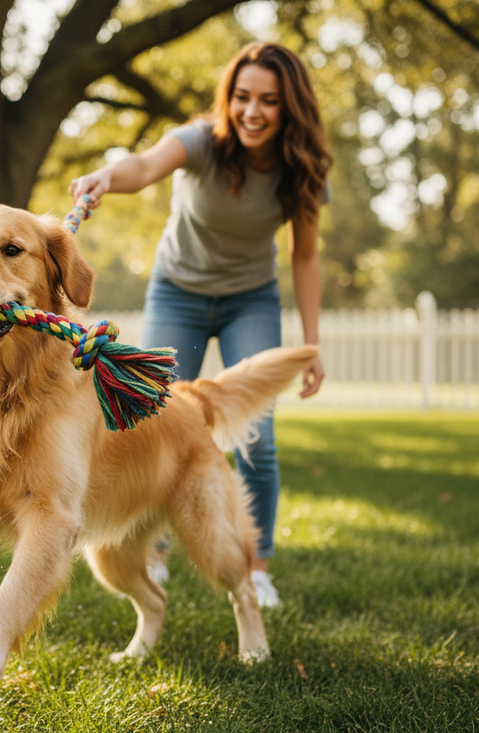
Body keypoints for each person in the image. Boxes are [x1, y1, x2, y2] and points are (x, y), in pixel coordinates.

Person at [69, 41, 331, 608]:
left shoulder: (302, 168)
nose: (252, 111)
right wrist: (107, 176)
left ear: (290, 107)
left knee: (259, 438)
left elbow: (305, 256)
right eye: (242, 97)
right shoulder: (200, 141)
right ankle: (154, 553)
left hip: (249, 299)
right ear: (228, 98)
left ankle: (258, 568)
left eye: (268, 101)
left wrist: (311, 345)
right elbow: (145, 166)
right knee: (153, 419)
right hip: (178, 292)